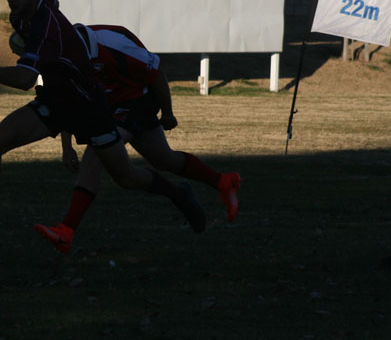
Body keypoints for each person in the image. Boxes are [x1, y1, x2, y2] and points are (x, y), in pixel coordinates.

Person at [0, 0, 205, 245]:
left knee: (126, 177)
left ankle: (178, 193)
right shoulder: (22, 18)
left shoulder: (45, 24)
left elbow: (25, 79)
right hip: (56, 102)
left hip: (89, 109)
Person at [28, 23, 241, 254]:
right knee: (151, 165)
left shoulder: (110, 43)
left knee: (96, 152)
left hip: (137, 101)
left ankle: (67, 231)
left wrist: (168, 113)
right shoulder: (67, 56)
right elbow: (68, 101)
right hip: (110, 107)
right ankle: (214, 184)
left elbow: (156, 72)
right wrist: (66, 146)